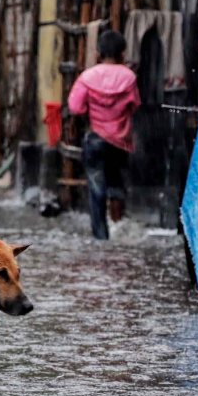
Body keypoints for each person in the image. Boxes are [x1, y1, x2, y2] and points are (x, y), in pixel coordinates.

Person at [67, 30, 141, 240]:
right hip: (121, 141)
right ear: (122, 53)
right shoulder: (129, 77)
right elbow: (134, 105)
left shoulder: (87, 77)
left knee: (96, 188)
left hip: (95, 139)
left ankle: (101, 238)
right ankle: (119, 231)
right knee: (117, 185)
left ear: (98, 53)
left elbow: (75, 107)